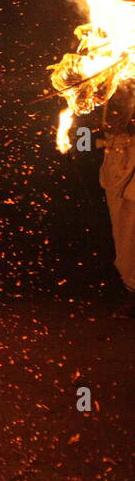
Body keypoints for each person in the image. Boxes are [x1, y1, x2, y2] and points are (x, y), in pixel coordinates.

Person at [99, 82, 135, 318]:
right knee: (125, 237)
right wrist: (76, 149)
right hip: (113, 170)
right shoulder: (97, 93)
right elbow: (85, 136)